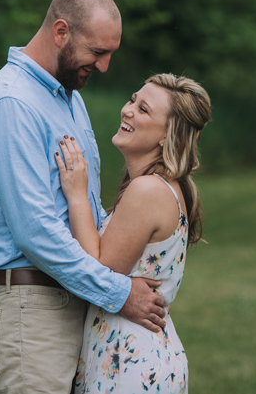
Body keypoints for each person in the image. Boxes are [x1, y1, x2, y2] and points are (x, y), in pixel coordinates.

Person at [0, 0, 168, 394]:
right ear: (61, 32)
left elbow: (84, 207)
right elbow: (35, 231)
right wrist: (118, 292)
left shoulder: (67, 97)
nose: (105, 66)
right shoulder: (13, 103)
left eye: (110, 53)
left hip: (72, 299)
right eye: (97, 52)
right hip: (29, 308)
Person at [55, 73, 211, 394]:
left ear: (166, 137)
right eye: (132, 100)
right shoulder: (165, 187)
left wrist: (76, 193)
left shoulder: (147, 190)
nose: (127, 110)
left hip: (129, 363)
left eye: (143, 110)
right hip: (137, 355)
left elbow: (98, 272)